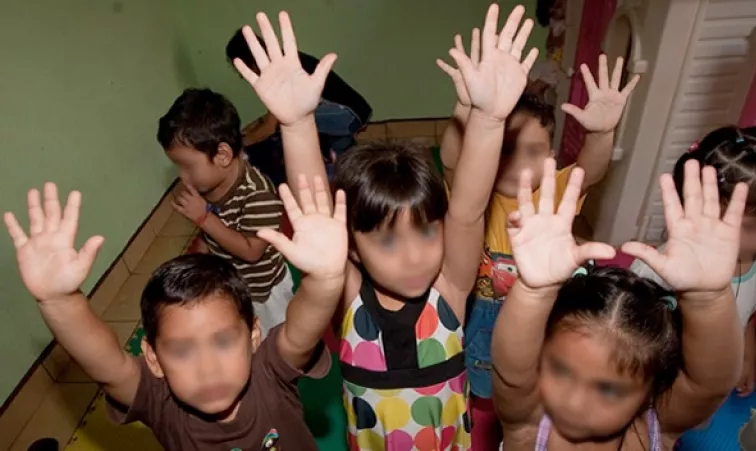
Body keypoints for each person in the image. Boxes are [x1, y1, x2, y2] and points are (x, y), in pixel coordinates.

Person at [231, 4, 538, 448]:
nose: (415, 256)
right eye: (389, 241)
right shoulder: (350, 296)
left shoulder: (450, 288)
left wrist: (490, 120)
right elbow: (318, 213)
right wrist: (297, 124)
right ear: (352, 249)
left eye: (428, 232)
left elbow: (468, 211)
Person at [3, 177, 348, 451]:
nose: (207, 368)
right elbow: (106, 363)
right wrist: (59, 300)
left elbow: (304, 326)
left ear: (254, 336)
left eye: (224, 341)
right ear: (152, 358)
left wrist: (325, 279)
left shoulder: (269, 370)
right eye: (182, 350)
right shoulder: (160, 400)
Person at [437, 30, 639, 448]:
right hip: (485, 309)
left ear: (550, 159)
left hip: (545, 306)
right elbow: (455, 161)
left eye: (532, 151)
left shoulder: (554, 189)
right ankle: (485, 419)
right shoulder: (480, 191)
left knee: (543, 378)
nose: (516, 163)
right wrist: (468, 110)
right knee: (484, 380)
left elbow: (591, 169)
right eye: (506, 149)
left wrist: (601, 133)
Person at [492, 158, 749, 450]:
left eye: (608, 390)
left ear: (649, 395)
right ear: (539, 355)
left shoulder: (653, 427)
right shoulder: (529, 423)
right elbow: (512, 372)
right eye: (561, 371)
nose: (574, 403)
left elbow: (710, 385)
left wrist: (708, 298)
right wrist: (534, 291)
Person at [631, 125, 756, 398]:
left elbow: (746, 314)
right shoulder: (654, 274)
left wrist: (747, 352)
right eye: (752, 226)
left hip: (713, 378)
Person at [157, 88, 293, 336]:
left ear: (222, 155)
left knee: (279, 339)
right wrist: (202, 253)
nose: (182, 176)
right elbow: (216, 233)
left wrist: (204, 219)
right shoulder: (210, 184)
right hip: (234, 283)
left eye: (187, 166)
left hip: (264, 290)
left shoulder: (258, 194)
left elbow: (252, 252)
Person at [226, 29, 373, 184]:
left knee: (286, 127)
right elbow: (270, 116)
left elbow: (271, 125)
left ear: (250, 63)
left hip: (348, 115)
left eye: (241, 70)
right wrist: (250, 129)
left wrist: (239, 146)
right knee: (346, 166)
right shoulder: (282, 64)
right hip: (352, 113)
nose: (242, 76)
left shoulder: (281, 71)